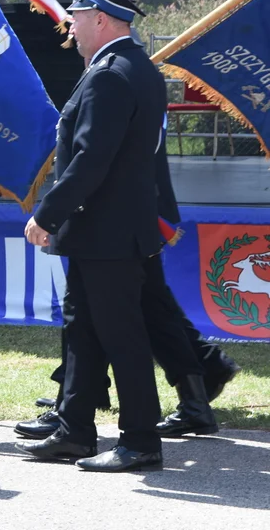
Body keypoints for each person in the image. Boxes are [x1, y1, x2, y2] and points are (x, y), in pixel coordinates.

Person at [17, 0, 168, 472]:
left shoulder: (109, 74)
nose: (71, 25)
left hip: (106, 232)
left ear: (100, 19)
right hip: (105, 231)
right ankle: (75, 430)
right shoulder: (133, 66)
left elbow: (89, 160)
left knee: (120, 335)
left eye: (77, 16)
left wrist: (46, 213)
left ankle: (140, 439)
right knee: (82, 328)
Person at [15, 138, 236, 441]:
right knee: (146, 305)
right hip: (134, 207)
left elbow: (98, 150)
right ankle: (193, 392)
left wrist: (53, 209)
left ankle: (91, 411)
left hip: (120, 212)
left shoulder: (118, 89)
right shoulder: (140, 89)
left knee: (99, 311)